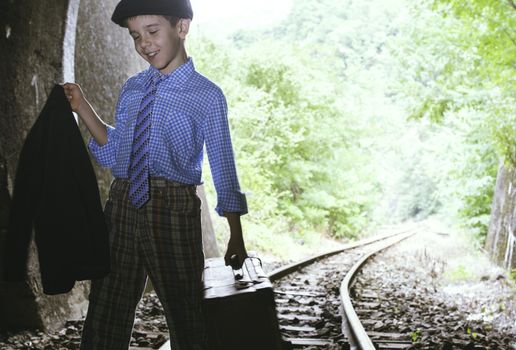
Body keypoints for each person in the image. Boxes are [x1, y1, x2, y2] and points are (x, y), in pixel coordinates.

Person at [63, 0, 248, 348]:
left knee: (186, 313)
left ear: (182, 28)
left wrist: (235, 234)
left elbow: (223, 165)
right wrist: (82, 105)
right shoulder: (133, 88)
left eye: (152, 31)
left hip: (173, 209)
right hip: (121, 205)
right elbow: (116, 151)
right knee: (106, 310)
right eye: (136, 36)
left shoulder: (206, 96)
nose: (144, 43)